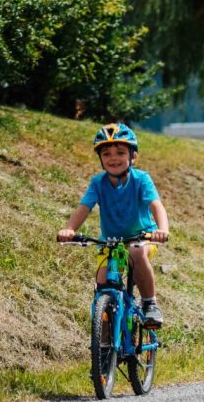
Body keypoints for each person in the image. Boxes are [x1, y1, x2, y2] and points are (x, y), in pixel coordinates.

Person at [57, 123, 170, 326]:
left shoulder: (141, 180)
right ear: (101, 159)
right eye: (106, 154)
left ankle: (149, 303)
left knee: (136, 251)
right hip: (111, 243)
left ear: (133, 156)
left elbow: (156, 206)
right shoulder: (97, 183)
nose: (113, 158)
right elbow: (84, 208)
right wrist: (70, 229)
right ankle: (105, 345)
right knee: (103, 286)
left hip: (143, 237)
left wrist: (162, 230)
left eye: (120, 152)